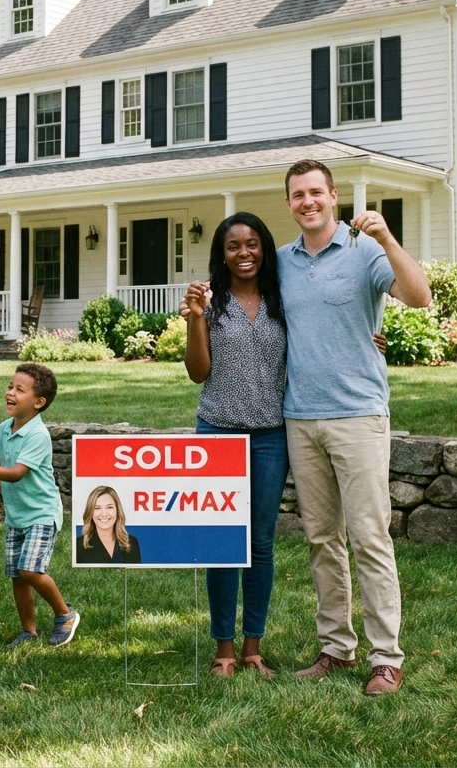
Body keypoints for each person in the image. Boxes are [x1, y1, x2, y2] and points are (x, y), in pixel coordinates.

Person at [279, 158, 431, 696]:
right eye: (298, 195)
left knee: (369, 537)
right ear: (290, 202)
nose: (307, 202)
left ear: (334, 196)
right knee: (321, 538)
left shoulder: (366, 251)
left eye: (315, 192)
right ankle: (336, 648)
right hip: (300, 417)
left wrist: (388, 237)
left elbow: (419, 296)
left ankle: (386, 658)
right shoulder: (282, 262)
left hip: (359, 416)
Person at [179, 212, 289, 678]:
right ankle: (223, 648)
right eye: (232, 246)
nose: (243, 253)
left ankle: (252, 648)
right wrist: (196, 321)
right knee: (224, 543)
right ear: (220, 254)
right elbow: (198, 372)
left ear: (264, 247)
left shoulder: (283, 298)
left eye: (251, 244)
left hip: (270, 436)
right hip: (218, 433)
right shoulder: (209, 300)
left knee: (260, 542)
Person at [0, 363, 80, 647]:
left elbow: (15, 473)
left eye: (19, 390)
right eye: (10, 387)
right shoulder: (5, 429)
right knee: (17, 577)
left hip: (41, 513)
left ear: (39, 402)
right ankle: (29, 631)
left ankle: (65, 614)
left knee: (30, 570)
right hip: (17, 516)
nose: (10, 393)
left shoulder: (37, 435)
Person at [75, 485, 142, 564]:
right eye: (97, 508)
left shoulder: (132, 542)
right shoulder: (78, 546)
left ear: (117, 510)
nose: (104, 514)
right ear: (90, 512)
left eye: (109, 507)